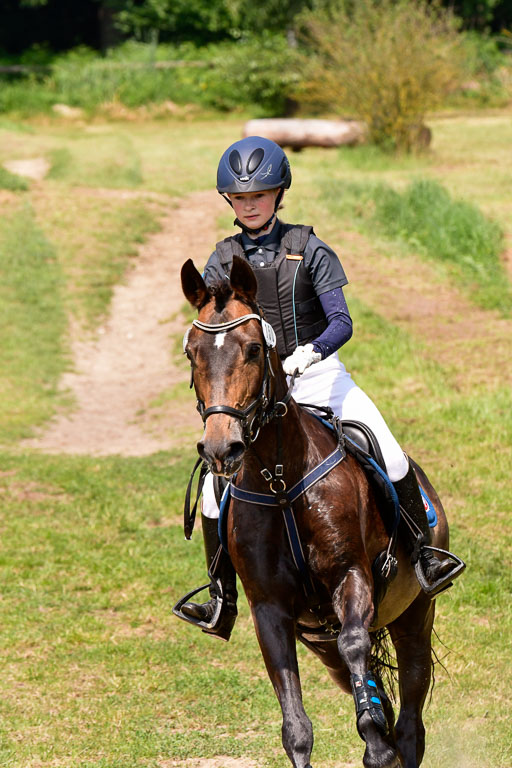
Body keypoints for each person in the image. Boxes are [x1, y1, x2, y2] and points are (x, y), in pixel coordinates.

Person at [178, 136, 461, 640]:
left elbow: (341, 320)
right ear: (230, 202)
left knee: (390, 453)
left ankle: (427, 556)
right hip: (256, 390)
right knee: (212, 490)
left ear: (279, 193)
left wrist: (309, 352)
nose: (250, 205)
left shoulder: (310, 249)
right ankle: (220, 595)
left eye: (259, 196)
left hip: (320, 374)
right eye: (241, 199)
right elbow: (213, 321)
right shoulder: (221, 260)